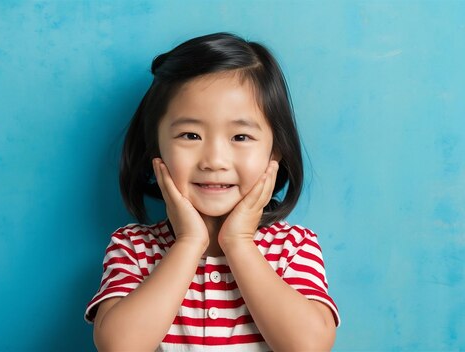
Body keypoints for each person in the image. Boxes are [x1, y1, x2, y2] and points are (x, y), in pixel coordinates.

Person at [85, 32, 340, 351]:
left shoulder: (293, 247)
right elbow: (118, 346)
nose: (214, 161)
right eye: (190, 135)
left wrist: (238, 242)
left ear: (275, 153)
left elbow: (309, 346)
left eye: (241, 137)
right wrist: (189, 242)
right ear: (156, 150)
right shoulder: (134, 248)